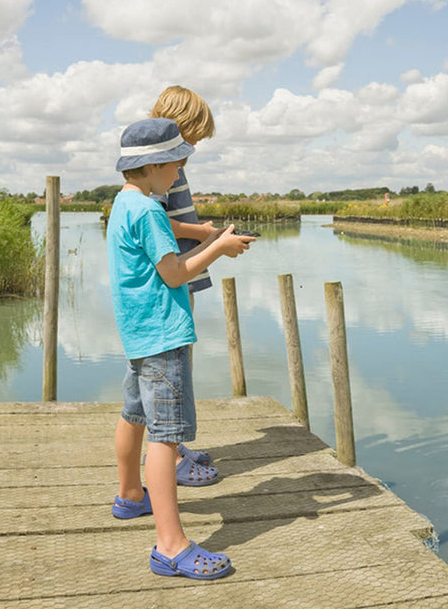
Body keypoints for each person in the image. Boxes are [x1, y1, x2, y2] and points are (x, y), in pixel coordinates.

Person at [107, 116, 254, 579]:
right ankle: (171, 545)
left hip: (138, 332)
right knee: (166, 439)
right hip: (165, 335)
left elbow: (159, 249)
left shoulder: (125, 203)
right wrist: (220, 249)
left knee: (134, 414)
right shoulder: (150, 211)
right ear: (152, 167)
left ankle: (130, 495)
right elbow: (173, 275)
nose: (179, 174)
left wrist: (205, 235)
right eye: (175, 164)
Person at [150, 85, 219, 474]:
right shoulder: (160, 167)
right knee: (173, 366)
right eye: (193, 137)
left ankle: (173, 446)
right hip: (172, 274)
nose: (194, 147)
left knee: (180, 359)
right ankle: (171, 455)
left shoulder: (167, 165)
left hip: (181, 273)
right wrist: (200, 233)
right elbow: (155, 219)